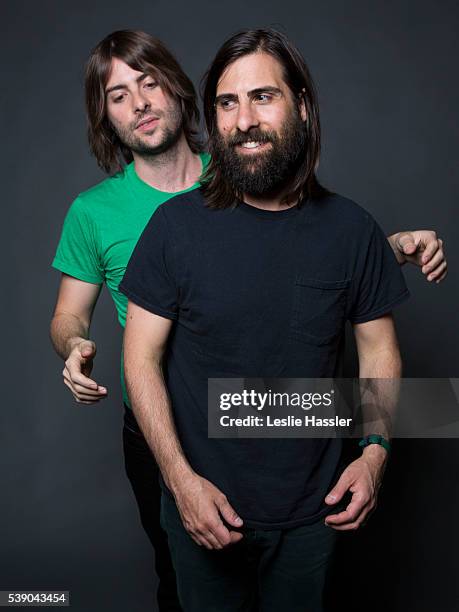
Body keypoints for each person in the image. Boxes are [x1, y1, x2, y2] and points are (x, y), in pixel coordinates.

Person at [50, 29, 447, 612]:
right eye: (230, 103)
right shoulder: (149, 221)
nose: (244, 120)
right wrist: (180, 481)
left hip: (307, 475)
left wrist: (374, 451)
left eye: (263, 97)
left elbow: (308, 265)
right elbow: (116, 340)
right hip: (177, 442)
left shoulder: (308, 200)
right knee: (177, 580)